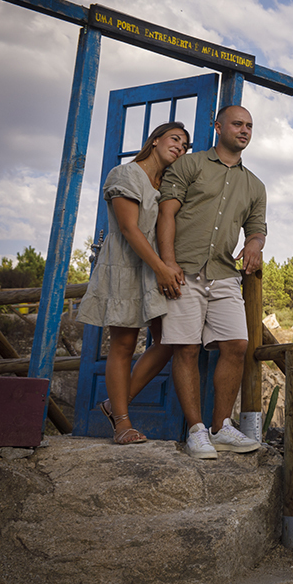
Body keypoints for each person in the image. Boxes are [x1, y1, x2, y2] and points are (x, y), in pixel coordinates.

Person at [157, 104, 265, 459]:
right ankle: (196, 430)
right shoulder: (189, 165)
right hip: (183, 270)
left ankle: (221, 428)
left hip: (223, 274)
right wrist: (167, 263)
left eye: (249, 125)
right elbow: (166, 213)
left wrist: (253, 245)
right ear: (218, 127)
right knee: (186, 349)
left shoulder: (255, 186)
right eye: (237, 124)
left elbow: (257, 229)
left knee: (237, 344)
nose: (244, 130)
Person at [77, 121, 189, 444]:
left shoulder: (166, 183)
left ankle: (114, 404)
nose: (180, 147)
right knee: (124, 344)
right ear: (155, 140)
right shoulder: (126, 174)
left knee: (168, 340)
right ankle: (122, 423)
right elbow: (129, 229)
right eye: (174, 139)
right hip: (127, 265)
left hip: (152, 269)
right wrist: (162, 268)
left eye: (184, 145)